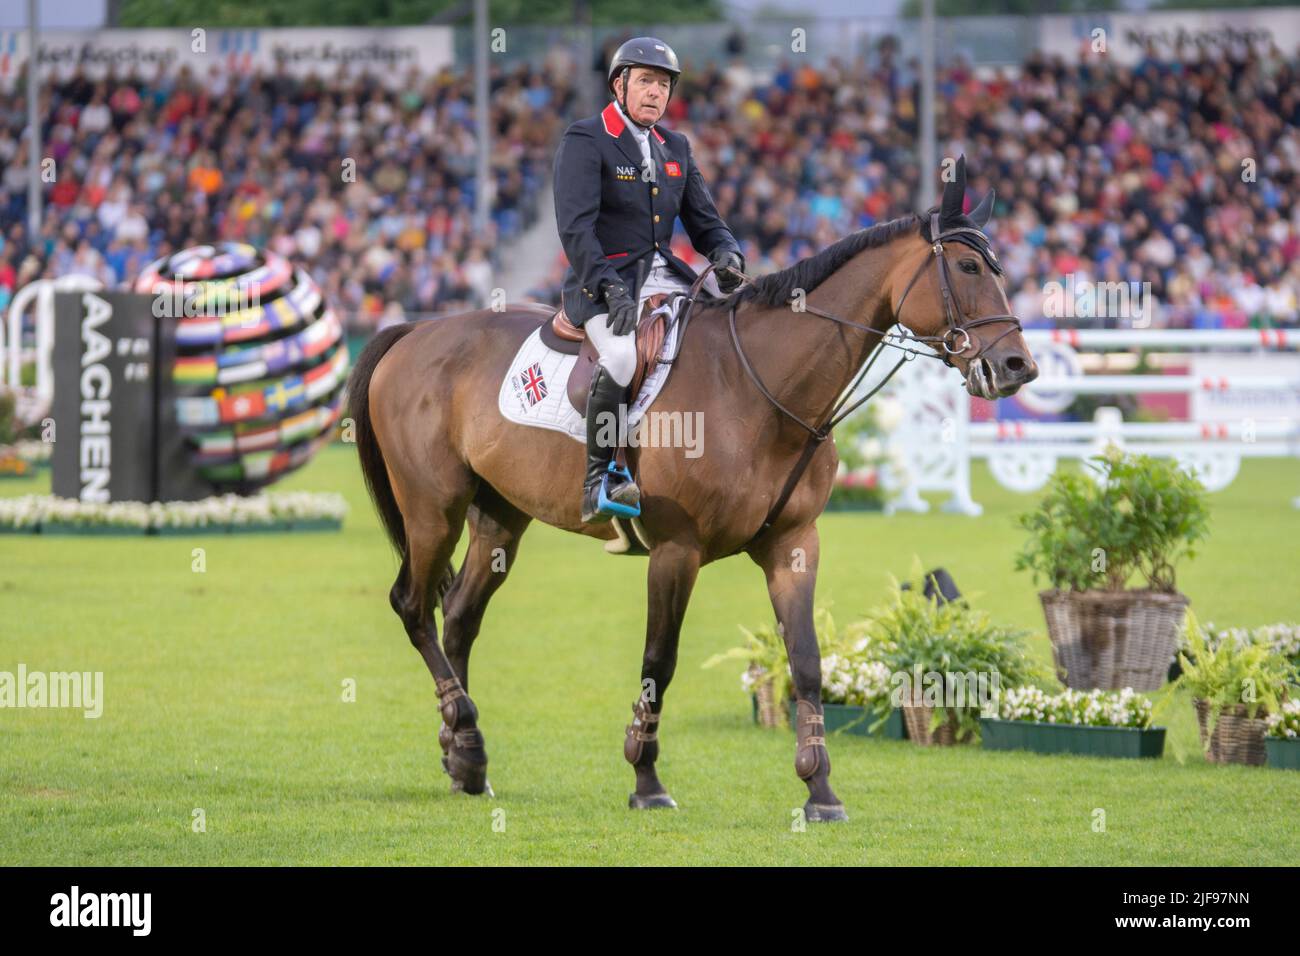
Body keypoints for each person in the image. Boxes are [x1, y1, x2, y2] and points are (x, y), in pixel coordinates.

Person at [553, 37, 745, 523]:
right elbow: (575, 229)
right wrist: (610, 286)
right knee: (618, 356)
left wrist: (726, 250)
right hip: (602, 286)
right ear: (620, 85)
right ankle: (599, 480)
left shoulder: (674, 146)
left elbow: (705, 221)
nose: (655, 93)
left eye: (663, 85)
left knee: (723, 336)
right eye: (645, 82)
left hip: (668, 280)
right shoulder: (586, 138)